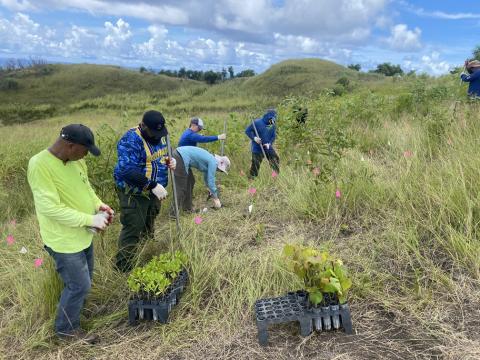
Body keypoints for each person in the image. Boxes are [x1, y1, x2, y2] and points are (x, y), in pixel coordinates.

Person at [27, 124, 114, 344]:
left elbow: (87, 188)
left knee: (86, 280)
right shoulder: (40, 165)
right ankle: (66, 332)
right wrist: (89, 219)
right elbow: (50, 209)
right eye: (85, 150)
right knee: (79, 285)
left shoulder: (77, 161)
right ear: (70, 146)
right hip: (63, 241)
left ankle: (75, 314)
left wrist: (99, 206)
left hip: (83, 235)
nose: (86, 155)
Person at [113, 110, 176, 273]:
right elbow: (126, 170)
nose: (157, 136)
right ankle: (124, 268)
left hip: (154, 192)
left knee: (149, 221)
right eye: (153, 132)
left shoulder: (158, 135)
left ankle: (147, 251)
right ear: (143, 126)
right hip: (135, 192)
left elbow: (162, 154)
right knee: (133, 227)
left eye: (159, 132)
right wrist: (152, 185)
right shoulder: (131, 140)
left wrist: (170, 160)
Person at [171, 146, 230, 213]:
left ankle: (187, 208)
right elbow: (211, 181)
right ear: (220, 165)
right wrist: (216, 198)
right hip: (180, 157)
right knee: (181, 186)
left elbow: (207, 179)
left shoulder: (210, 159)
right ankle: (173, 214)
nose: (219, 171)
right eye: (221, 170)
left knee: (190, 181)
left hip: (180, 155)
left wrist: (211, 191)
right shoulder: (213, 162)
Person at [244, 109, 279, 178]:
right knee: (255, 165)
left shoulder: (272, 125)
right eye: (271, 118)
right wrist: (254, 138)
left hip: (268, 147)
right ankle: (252, 179)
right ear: (267, 116)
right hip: (257, 148)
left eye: (274, 118)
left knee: (275, 159)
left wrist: (269, 143)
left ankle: (275, 176)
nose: (272, 121)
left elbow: (273, 136)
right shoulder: (257, 123)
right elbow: (247, 131)